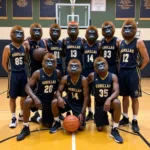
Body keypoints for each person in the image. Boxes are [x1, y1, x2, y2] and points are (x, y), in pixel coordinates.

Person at [16, 53, 61, 141]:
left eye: (52, 61)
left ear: (55, 63)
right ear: (43, 62)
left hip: (50, 100)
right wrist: (35, 97)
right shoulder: (38, 73)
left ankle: (37, 117)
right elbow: (27, 87)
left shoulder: (57, 73)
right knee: (28, 101)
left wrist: (58, 97)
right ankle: (25, 128)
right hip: (39, 99)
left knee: (47, 125)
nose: (49, 63)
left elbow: (60, 87)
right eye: (47, 61)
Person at [119, 20, 149, 133]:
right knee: (124, 97)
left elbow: (146, 58)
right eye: (125, 28)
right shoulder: (121, 43)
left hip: (133, 72)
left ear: (134, 29)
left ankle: (135, 120)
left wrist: (138, 68)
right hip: (123, 72)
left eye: (129, 28)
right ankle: (125, 117)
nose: (127, 30)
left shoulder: (139, 42)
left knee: (134, 97)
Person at [88, 57, 123, 143]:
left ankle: (114, 129)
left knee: (117, 102)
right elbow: (84, 83)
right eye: (98, 65)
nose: (101, 66)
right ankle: (100, 116)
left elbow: (117, 91)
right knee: (99, 129)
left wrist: (109, 99)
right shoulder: (92, 76)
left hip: (110, 103)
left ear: (107, 65)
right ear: (95, 68)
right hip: (99, 105)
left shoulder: (113, 76)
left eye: (103, 64)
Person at [50, 59, 89, 133]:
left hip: (78, 104)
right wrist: (59, 98)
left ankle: (72, 114)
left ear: (80, 67)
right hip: (68, 101)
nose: (73, 67)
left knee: (81, 128)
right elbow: (58, 91)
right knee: (54, 102)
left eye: (76, 66)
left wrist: (82, 112)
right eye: (71, 66)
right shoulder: (65, 78)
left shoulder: (83, 80)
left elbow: (86, 97)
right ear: (68, 67)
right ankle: (57, 122)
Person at [2, 25, 27, 128]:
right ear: (13, 34)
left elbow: (25, 60)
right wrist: (9, 71)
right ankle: (13, 117)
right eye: (16, 33)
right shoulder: (8, 47)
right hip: (14, 75)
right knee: (12, 97)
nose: (18, 34)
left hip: (23, 74)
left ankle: (21, 114)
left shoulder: (24, 47)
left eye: (20, 33)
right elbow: (4, 63)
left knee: (24, 96)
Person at [23, 23, 47, 121]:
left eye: (38, 30)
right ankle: (32, 116)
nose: (37, 32)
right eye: (35, 30)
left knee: (44, 93)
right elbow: (24, 58)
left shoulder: (43, 42)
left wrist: (44, 54)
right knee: (32, 95)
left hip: (43, 73)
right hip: (33, 72)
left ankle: (42, 114)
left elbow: (47, 55)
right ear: (31, 32)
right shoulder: (27, 42)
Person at [83, 25, 100, 121]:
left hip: (96, 72)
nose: (91, 35)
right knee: (87, 94)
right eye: (89, 33)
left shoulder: (99, 45)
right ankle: (90, 112)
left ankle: (98, 112)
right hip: (86, 71)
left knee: (97, 94)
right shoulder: (83, 44)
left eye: (93, 33)